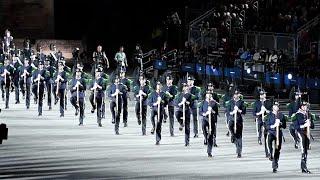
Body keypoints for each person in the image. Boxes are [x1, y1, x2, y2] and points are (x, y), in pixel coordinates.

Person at [265, 101, 287, 173]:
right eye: (275, 106)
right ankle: (270, 154)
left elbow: (284, 126)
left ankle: (275, 165)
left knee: (277, 149)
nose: (276, 107)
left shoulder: (281, 115)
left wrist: (281, 123)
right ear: (273, 107)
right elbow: (267, 126)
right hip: (271, 132)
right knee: (269, 143)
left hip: (278, 133)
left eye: (277, 106)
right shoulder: (268, 115)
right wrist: (274, 125)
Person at [293, 101, 315, 173]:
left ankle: (303, 167)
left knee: (306, 150)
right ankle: (304, 167)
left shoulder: (309, 114)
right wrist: (304, 125)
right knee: (303, 149)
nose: (305, 107)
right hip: (300, 132)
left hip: (307, 133)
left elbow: (312, 126)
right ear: (301, 107)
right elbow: (296, 126)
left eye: (306, 106)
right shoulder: (297, 114)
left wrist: (310, 123)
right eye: (303, 106)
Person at [226, 90, 247, 158]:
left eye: (237, 94)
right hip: (232, 120)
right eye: (235, 94)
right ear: (233, 95)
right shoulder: (230, 102)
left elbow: (244, 112)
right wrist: (232, 112)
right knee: (233, 133)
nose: (236, 95)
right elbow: (228, 111)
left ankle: (239, 152)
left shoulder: (242, 102)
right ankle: (232, 136)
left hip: (238, 121)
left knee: (239, 137)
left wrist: (238, 110)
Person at [252, 89, 273, 158]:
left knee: (266, 137)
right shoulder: (257, 103)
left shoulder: (268, 102)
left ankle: (267, 152)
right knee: (259, 128)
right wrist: (260, 112)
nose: (262, 96)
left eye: (263, 94)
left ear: (265, 95)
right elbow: (254, 113)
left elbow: (272, 112)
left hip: (267, 120)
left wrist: (266, 110)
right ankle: (259, 137)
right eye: (261, 94)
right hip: (260, 118)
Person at [199, 90, 219, 157]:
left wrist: (212, 111)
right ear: (206, 95)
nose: (209, 95)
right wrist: (204, 114)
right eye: (208, 94)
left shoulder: (214, 103)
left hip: (212, 120)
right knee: (204, 129)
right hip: (205, 119)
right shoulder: (202, 102)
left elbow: (216, 112)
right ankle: (205, 137)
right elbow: (200, 112)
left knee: (211, 135)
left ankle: (209, 151)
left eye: (210, 94)